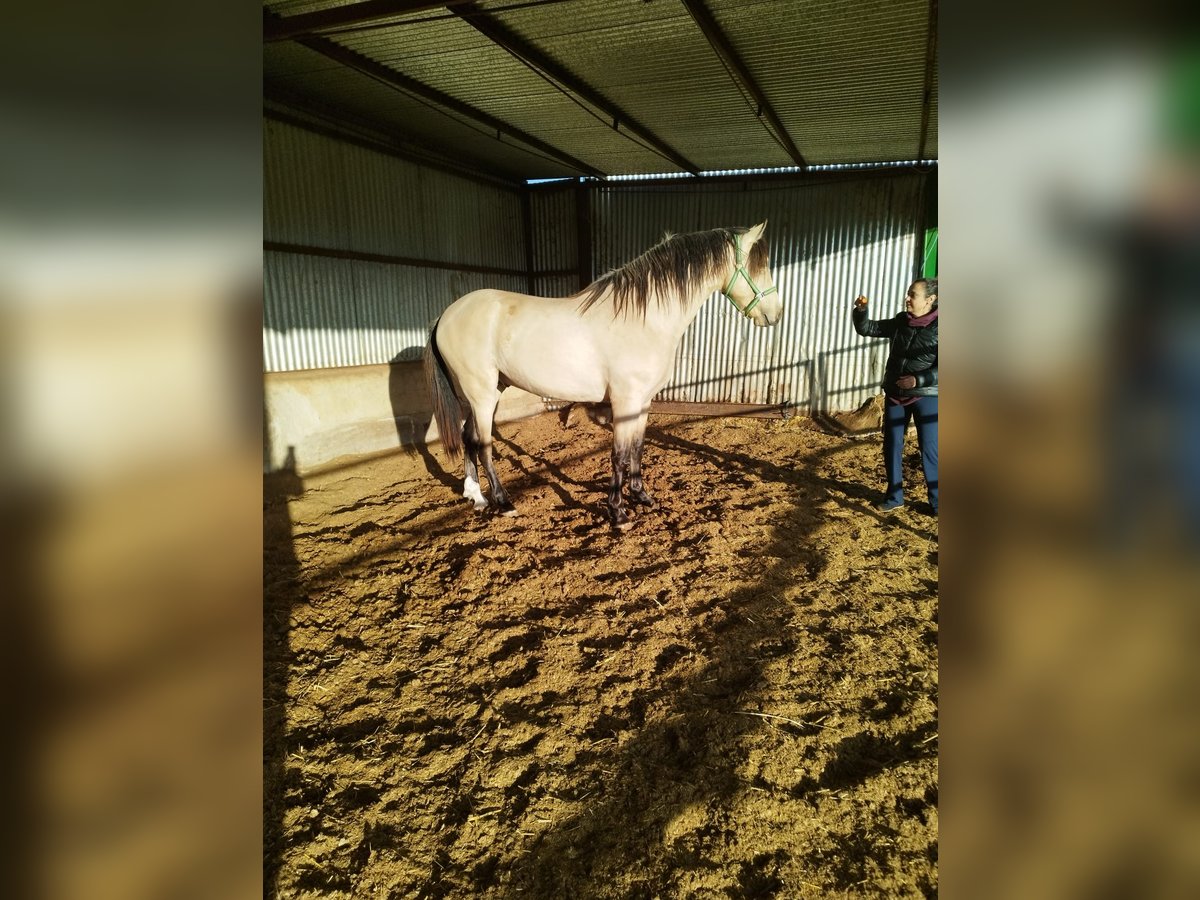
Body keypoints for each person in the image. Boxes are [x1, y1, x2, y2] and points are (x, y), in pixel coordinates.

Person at [852, 279, 938, 514]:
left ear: (930, 300)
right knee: (892, 445)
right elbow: (868, 328)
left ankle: (938, 502)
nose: (907, 298)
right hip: (896, 393)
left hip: (926, 395)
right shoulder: (902, 321)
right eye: (908, 294)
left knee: (930, 448)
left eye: (913, 295)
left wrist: (917, 380)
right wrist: (861, 311)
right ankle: (894, 496)